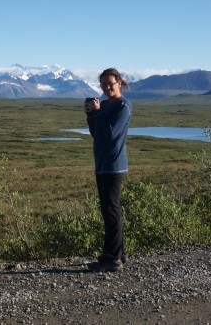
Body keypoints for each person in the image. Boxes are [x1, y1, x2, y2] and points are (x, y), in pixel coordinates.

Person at [84, 68, 132, 272]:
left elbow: (111, 133)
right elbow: (97, 133)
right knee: (107, 210)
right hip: (102, 165)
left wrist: (96, 113)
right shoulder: (104, 105)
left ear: (119, 83)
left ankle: (113, 258)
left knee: (112, 211)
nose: (106, 88)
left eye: (109, 84)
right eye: (103, 84)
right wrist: (90, 115)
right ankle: (114, 254)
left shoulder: (123, 106)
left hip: (114, 165)